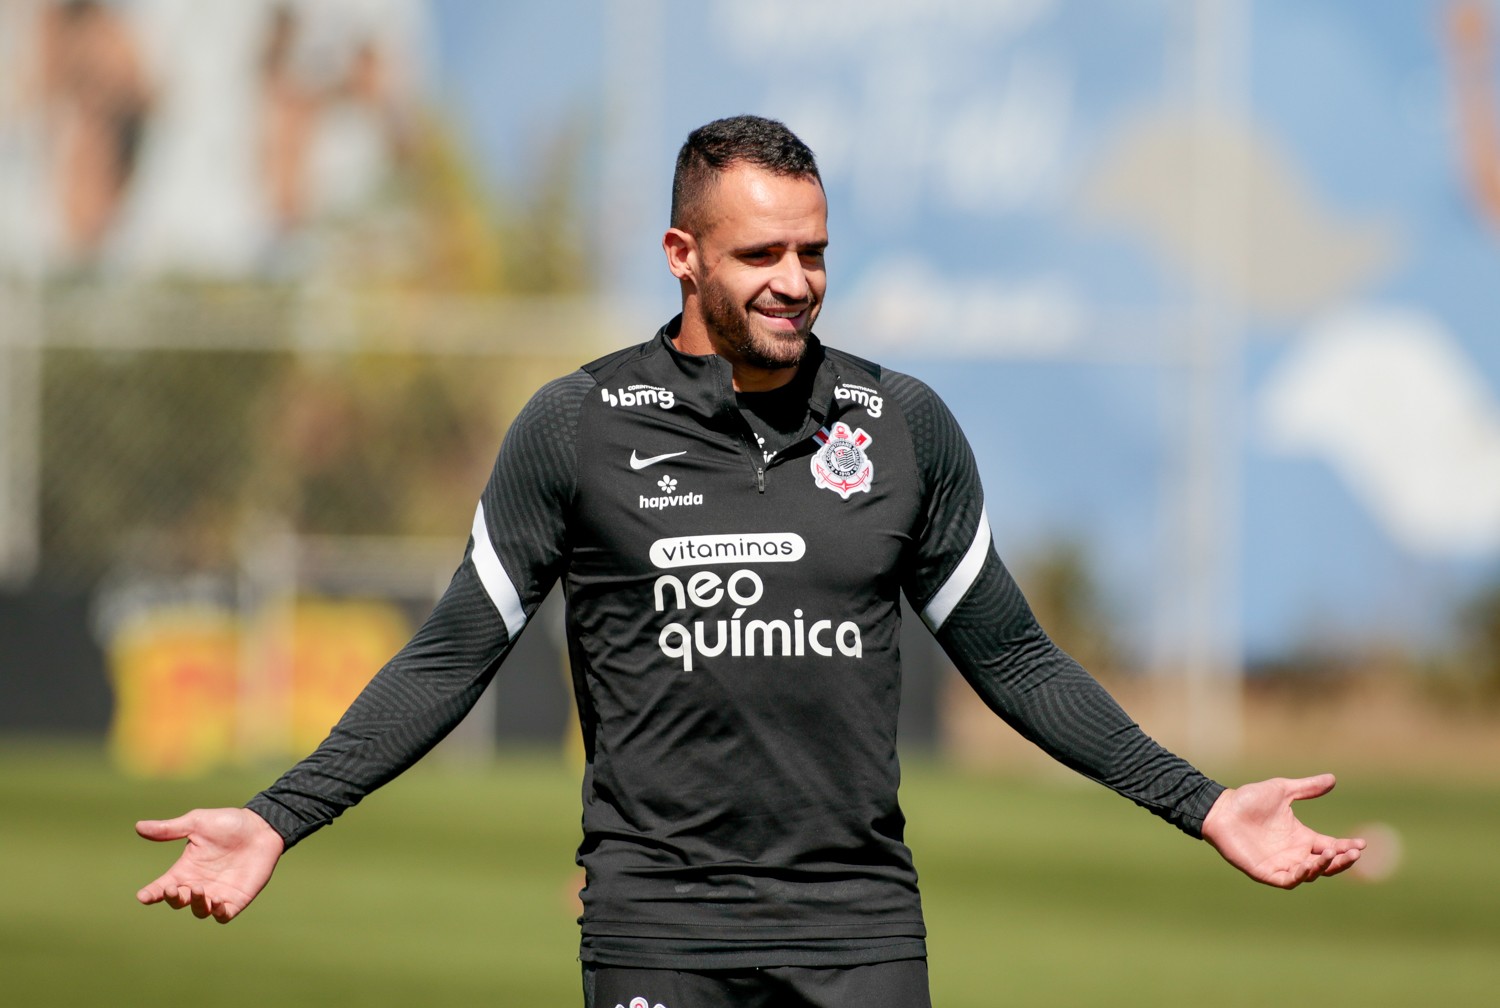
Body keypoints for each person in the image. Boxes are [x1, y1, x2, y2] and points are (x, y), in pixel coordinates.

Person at [136, 115, 1365, 1008]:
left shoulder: (903, 425)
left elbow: (1018, 660)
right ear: (683, 254)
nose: (796, 284)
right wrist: (279, 820)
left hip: (862, 924)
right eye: (759, 256)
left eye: (814, 252)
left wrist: (1201, 804)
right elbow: (454, 652)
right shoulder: (576, 426)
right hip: (659, 925)